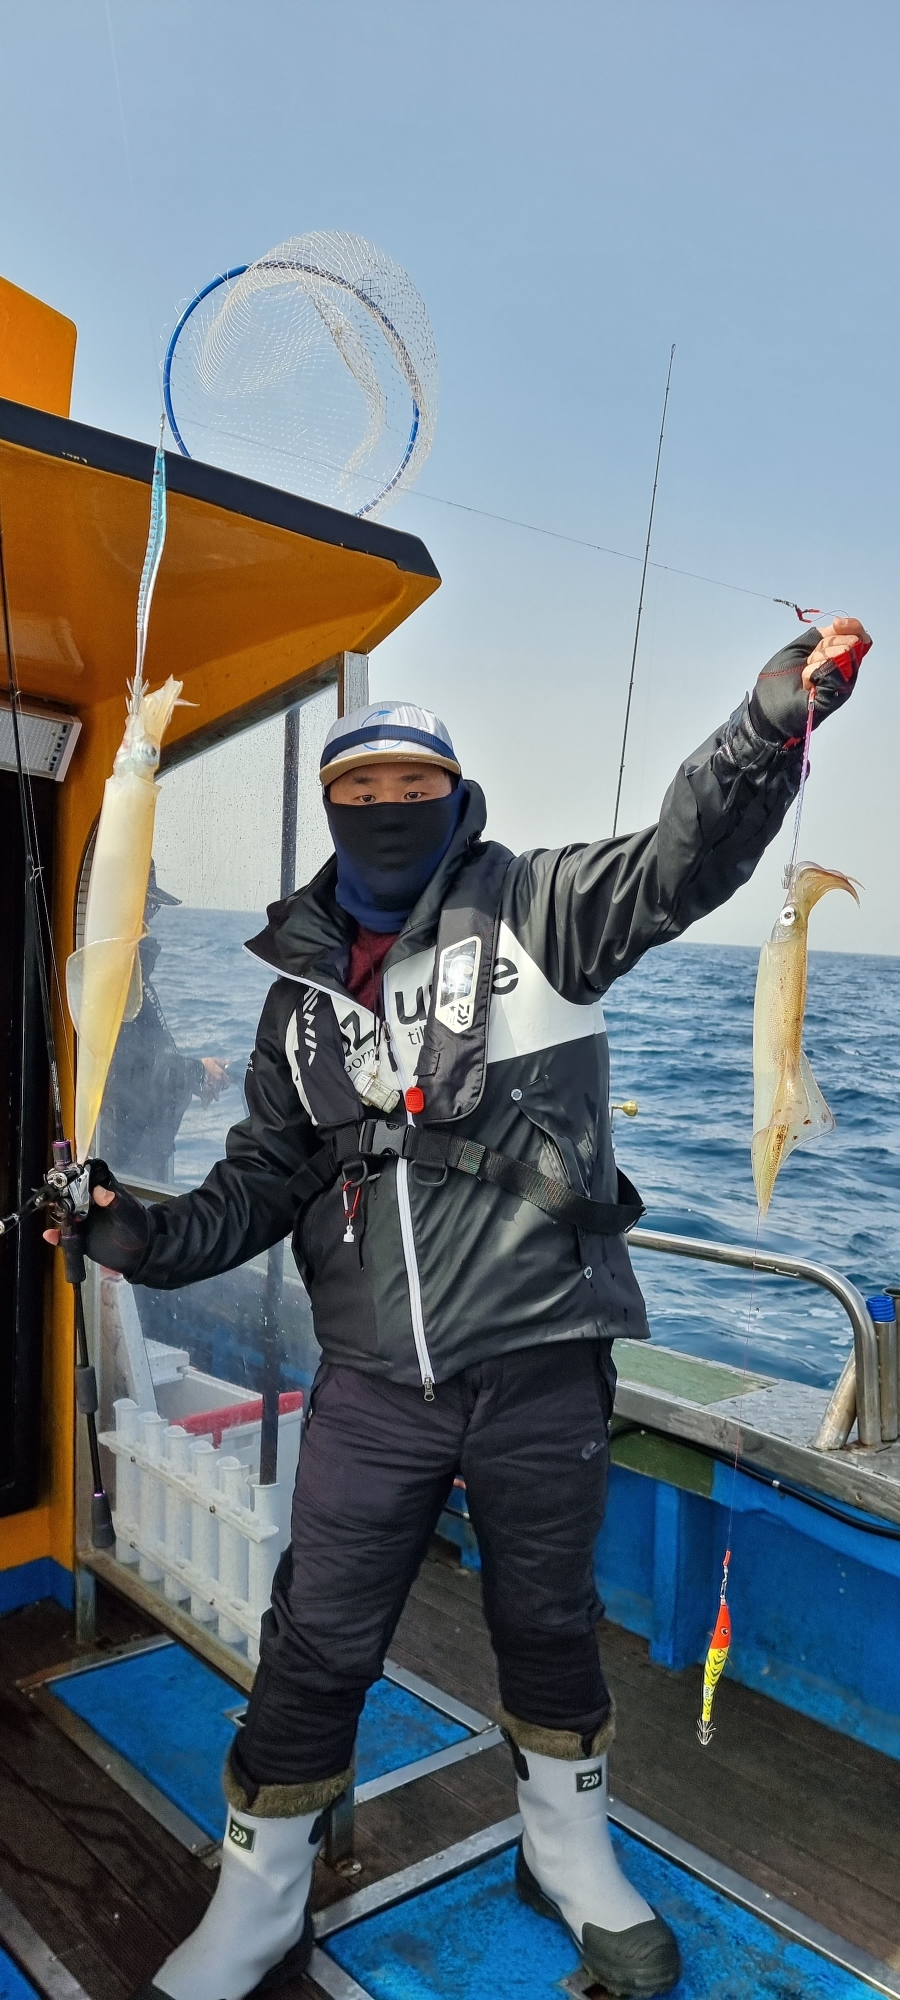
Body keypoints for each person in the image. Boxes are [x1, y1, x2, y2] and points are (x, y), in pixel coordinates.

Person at [53, 618, 870, 2000]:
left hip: (543, 1364)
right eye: (358, 790)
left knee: (548, 1622)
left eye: (411, 786)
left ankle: (567, 1850)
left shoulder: (543, 909)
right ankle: (259, 1901)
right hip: (371, 1384)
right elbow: (253, 1191)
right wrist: (133, 1229)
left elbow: (683, 858)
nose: (386, 808)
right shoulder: (295, 1008)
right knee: (317, 1638)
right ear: (329, 808)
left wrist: (764, 726)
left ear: (454, 796)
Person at [100, 862, 230, 1186]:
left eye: (152, 907)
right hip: (121, 1170)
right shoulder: (114, 981)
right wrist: (197, 1072)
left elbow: (150, 1060)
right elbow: (127, 1072)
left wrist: (195, 1075)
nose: (150, 918)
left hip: (137, 1165)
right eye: (147, 905)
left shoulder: (134, 979)